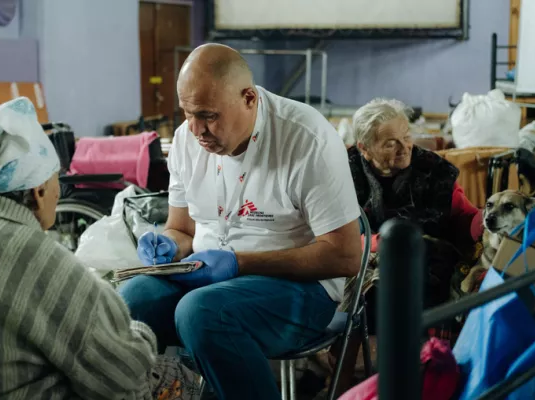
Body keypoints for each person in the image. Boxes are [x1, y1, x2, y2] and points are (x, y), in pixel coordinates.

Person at [0, 98, 201, 400]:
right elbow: (125, 371)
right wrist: (139, 336)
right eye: (56, 184)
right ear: (38, 191)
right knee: (159, 380)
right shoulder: (33, 256)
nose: (56, 194)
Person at [119, 43, 362, 399]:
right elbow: (183, 228)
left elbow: (345, 256)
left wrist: (240, 263)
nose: (197, 129)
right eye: (187, 113)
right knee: (127, 301)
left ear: (249, 98)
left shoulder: (304, 137)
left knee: (202, 313)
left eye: (209, 115)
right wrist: (169, 243)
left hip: (300, 286)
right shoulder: (188, 140)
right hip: (206, 279)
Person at [347, 98, 482, 325]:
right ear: (365, 148)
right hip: (363, 260)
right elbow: (334, 230)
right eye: (391, 143)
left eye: (406, 137)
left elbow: (463, 215)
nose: (404, 148)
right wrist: (374, 243)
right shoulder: (343, 172)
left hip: (426, 263)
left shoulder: (435, 171)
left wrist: (482, 222)